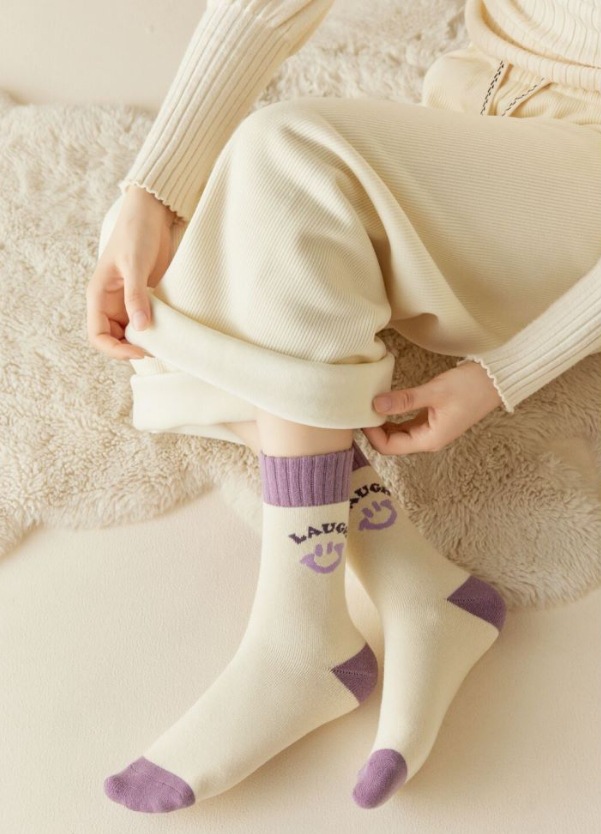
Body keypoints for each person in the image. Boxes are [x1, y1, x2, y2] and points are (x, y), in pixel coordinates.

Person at [86, 0, 601, 813]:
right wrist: (151, 192)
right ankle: (409, 579)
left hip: (580, 208)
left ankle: (298, 634)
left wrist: (504, 374)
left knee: (286, 160)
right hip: (473, 117)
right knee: (171, 250)